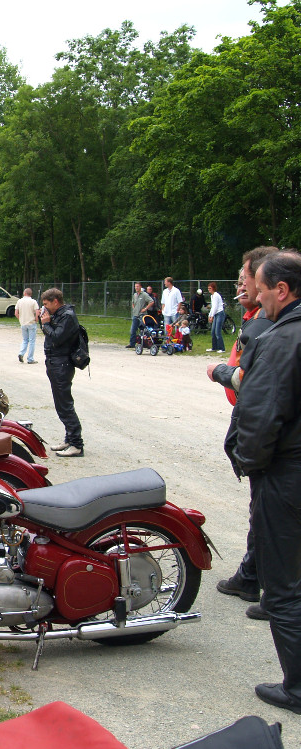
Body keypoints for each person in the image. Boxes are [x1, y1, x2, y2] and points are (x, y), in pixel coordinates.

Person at [230, 250, 301, 714]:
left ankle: (297, 687)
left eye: (261, 287)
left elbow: (259, 414)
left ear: (282, 289)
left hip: (288, 472)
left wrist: (249, 462)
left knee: (283, 584)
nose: (257, 296)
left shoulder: (283, 339)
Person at [208, 246, 277, 614]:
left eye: (246, 278)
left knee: (269, 511)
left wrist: (219, 372)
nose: (241, 284)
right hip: (257, 426)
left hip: (269, 437)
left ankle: (270, 588)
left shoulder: (268, 324)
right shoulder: (257, 317)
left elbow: (249, 381)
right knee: (263, 510)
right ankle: (253, 575)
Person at [39, 288, 83, 457]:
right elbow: (49, 333)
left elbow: (56, 337)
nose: (45, 307)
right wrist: (43, 321)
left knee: (65, 405)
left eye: (46, 304)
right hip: (54, 361)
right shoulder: (58, 315)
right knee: (60, 404)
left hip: (62, 363)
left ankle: (77, 444)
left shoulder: (68, 316)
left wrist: (46, 324)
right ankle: (69, 439)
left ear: (55, 301)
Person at [14, 288, 40, 364]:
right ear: (30, 294)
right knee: (32, 341)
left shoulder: (19, 301)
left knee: (25, 340)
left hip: (23, 323)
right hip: (31, 323)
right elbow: (37, 311)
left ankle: (21, 353)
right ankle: (30, 359)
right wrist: (36, 319)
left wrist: (20, 319)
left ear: (24, 293)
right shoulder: (33, 301)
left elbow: (16, 313)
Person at [127, 283, 152, 348]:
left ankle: (146, 343)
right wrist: (134, 308)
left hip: (142, 315)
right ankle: (132, 344)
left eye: (137, 286)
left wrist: (145, 308)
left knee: (143, 330)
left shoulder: (144, 294)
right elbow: (133, 302)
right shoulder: (135, 295)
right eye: (135, 286)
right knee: (133, 330)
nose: (136, 288)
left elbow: (151, 301)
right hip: (135, 315)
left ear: (140, 287)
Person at [207, 281, 226, 352]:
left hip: (219, 313)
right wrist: (210, 315)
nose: (209, 290)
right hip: (215, 314)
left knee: (217, 332)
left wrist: (211, 316)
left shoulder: (216, 295)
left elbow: (215, 307)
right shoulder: (212, 296)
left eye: (210, 288)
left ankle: (222, 348)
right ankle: (214, 347)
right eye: (208, 288)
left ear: (213, 288)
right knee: (213, 332)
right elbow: (212, 307)